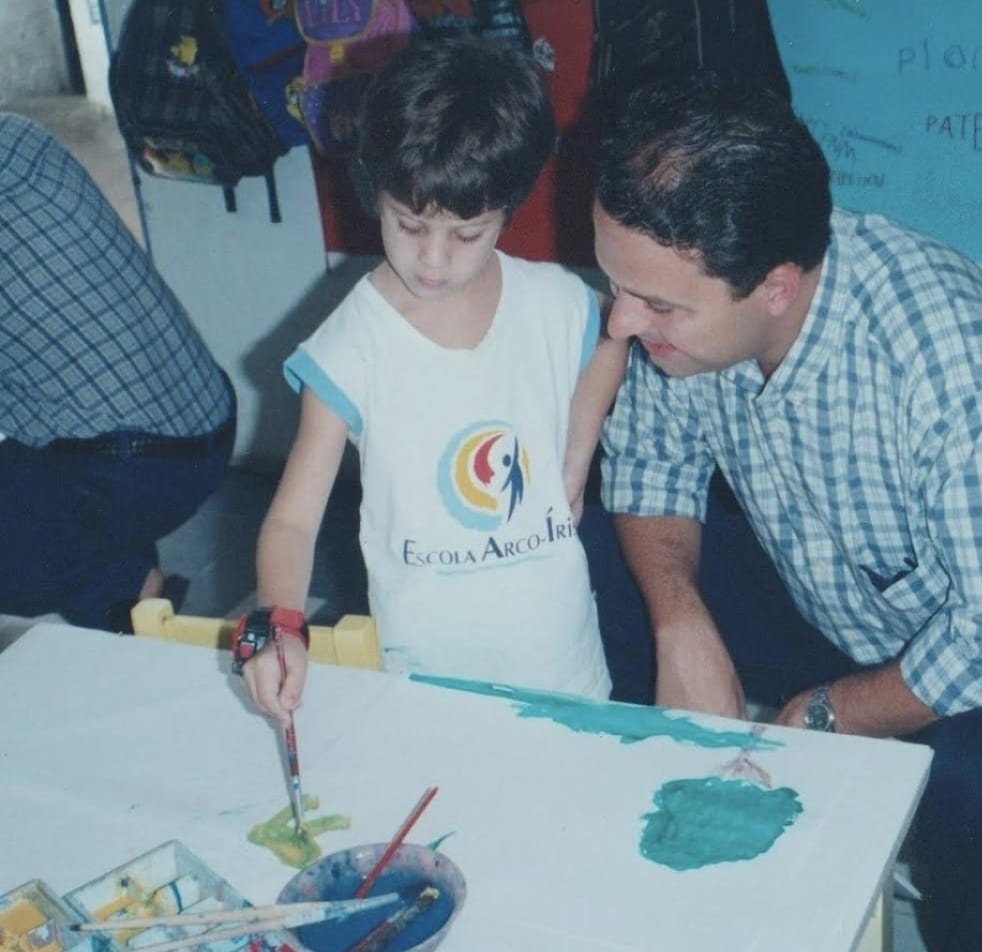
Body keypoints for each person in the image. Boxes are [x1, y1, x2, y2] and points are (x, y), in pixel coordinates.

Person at [590, 73, 982, 952]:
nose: (619, 325)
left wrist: (820, 717)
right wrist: (680, 617)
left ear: (777, 286)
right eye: (615, 286)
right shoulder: (696, 306)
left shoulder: (954, 376)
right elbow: (647, 465)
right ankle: (710, 896)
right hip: (836, 596)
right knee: (587, 559)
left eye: (655, 304)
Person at [236, 35, 627, 721]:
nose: (434, 259)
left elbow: (611, 337)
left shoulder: (549, 301)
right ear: (374, 193)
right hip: (429, 681)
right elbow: (293, 521)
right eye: (408, 223)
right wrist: (283, 623)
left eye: (467, 233)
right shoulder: (354, 344)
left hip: (564, 666)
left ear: (508, 208)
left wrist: (576, 451)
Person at [0, 114, 236, 633]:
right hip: (205, 427)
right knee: (55, 491)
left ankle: (118, 590)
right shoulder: (16, 135)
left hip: (126, 464)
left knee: (47, 509)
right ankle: (134, 607)